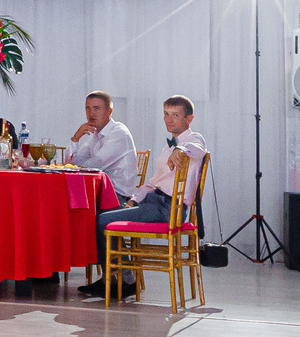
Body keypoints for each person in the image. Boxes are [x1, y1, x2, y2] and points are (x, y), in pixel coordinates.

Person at [83, 95, 211, 300]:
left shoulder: (193, 140)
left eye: (175, 115)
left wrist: (180, 149)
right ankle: (115, 278)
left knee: (103, 221)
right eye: (166, 114)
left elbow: (198, 148)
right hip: (154, 201)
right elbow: (153, 183)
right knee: (104, 214)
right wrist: (135, 199)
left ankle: (123, 280)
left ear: (189, 118)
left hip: (168, 208)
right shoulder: (168, 145)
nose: (169, 120)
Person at [66, 90, 135, 183]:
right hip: (96, 187)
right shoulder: (94, 133)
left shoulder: (119, 132)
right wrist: (75, 138)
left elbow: (96, 165)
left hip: (116, 193)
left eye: (96, 108)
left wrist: (74, 168)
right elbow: (70, 164)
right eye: (88, 108)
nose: (91, 113)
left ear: (109, 111)